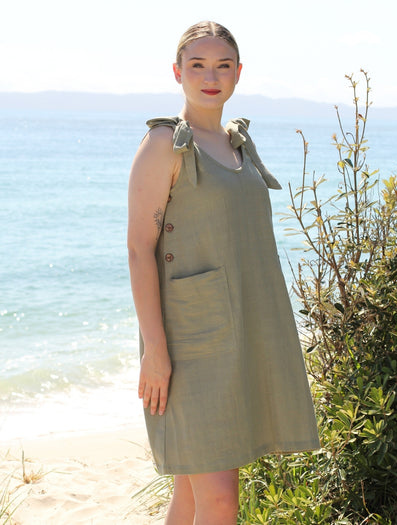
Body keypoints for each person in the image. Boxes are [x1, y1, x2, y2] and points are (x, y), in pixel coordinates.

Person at [127, 21, 320, 525]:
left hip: (243, 334)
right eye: (197, 65)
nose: (210, 76)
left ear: (238, 74)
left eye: (222, 65)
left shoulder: (237, 145)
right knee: (219, 501)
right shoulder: (165, 143)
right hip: (190, 344)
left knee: (193, 497)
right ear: (177, 73)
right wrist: (156, 351)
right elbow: (138, 249)